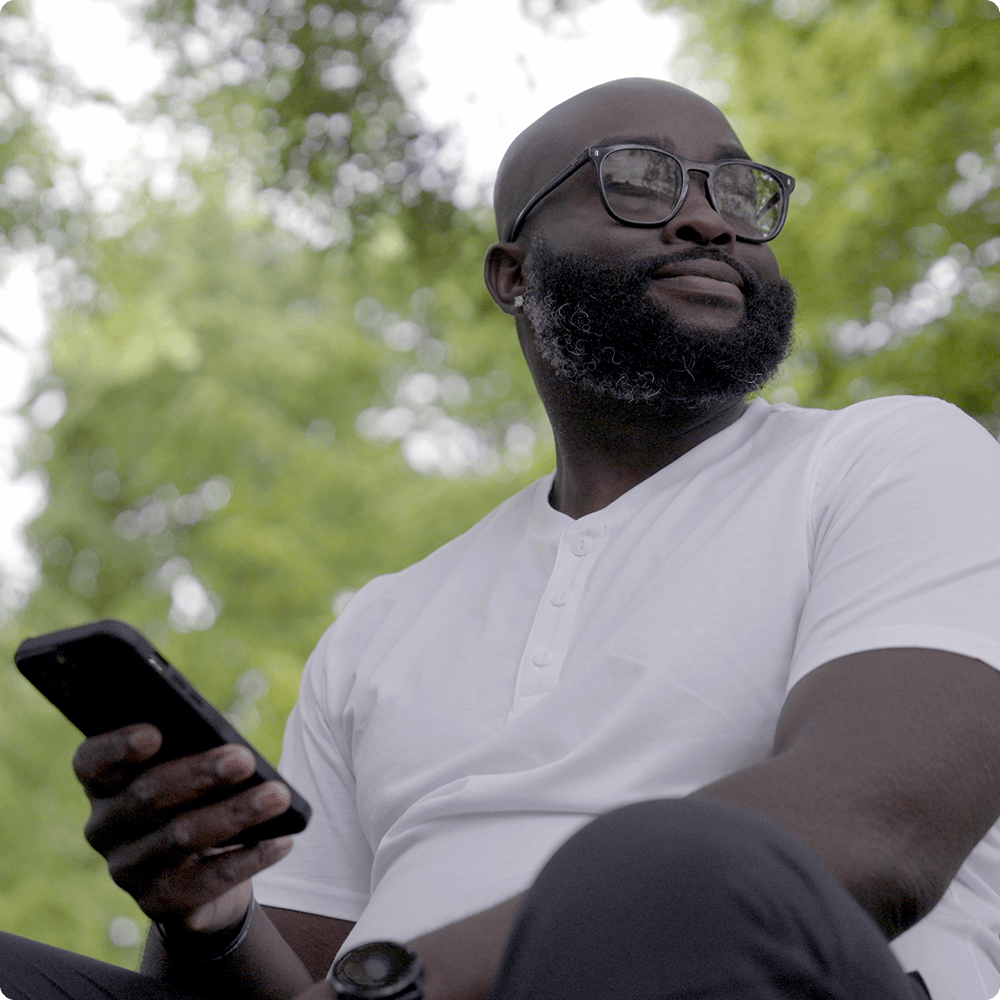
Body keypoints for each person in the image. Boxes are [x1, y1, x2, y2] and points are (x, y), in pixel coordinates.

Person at [3, 76, 1000, 1000]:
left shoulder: (890, 459)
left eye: (740, 193)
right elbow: (291, 980)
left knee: (673, 859)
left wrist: (390, 984)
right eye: (639, 182)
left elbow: (879, 834)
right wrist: (207, 916)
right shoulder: (386, 622)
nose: (706, 217)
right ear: (511, 273)